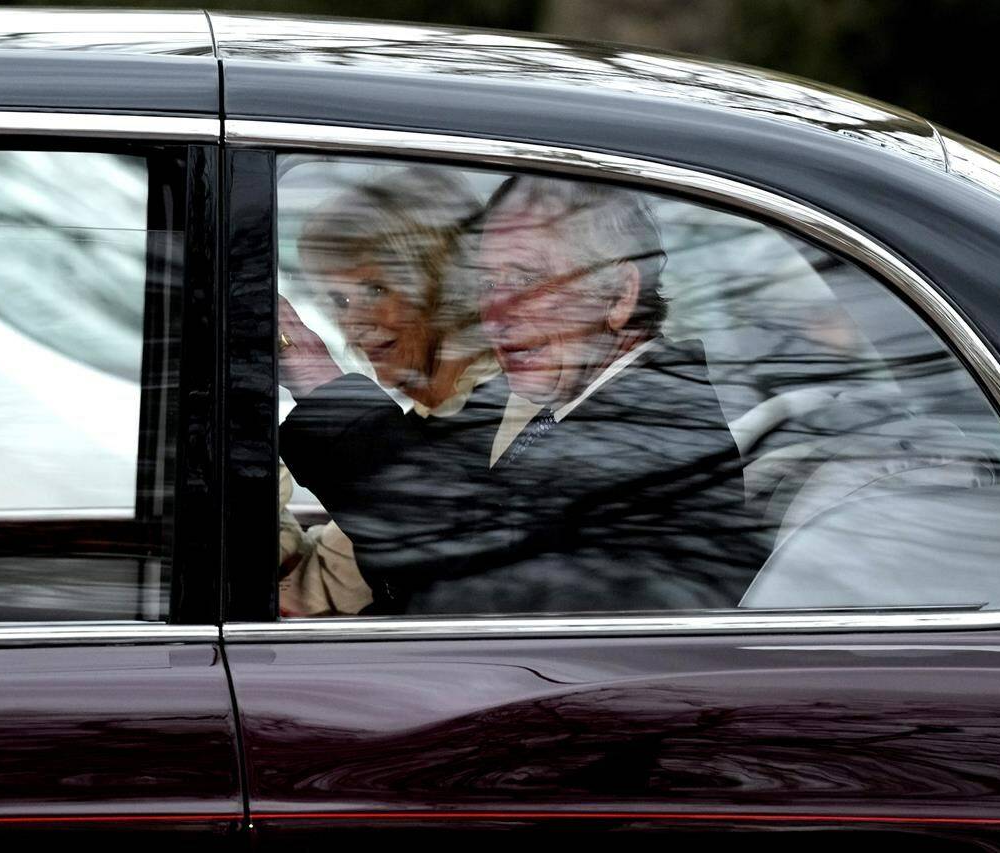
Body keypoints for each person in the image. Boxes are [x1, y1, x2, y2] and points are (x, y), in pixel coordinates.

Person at [281, 174, 758, 615]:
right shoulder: (584, 411)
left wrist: (318, 380)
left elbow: (469, 583)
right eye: (488, 282)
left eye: (527, 279)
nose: (495, 312)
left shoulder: (650, 434)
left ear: (619, 297)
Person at [277, 166, 506, 615]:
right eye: (340, 300)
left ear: (443, 284)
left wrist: (316, 378)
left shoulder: (506, 423)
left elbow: (442, 571)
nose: (353, 321)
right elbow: (312, 589)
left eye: (376, 288)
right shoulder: (426, 423)